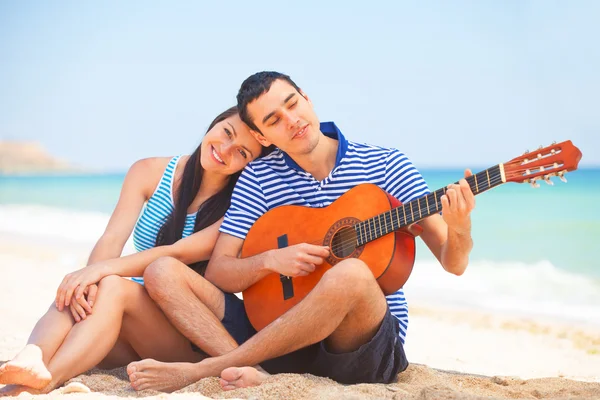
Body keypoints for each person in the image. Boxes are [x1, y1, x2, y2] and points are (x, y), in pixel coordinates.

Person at [122, 71, 476, 392]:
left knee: (351, 271)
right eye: (273, 120)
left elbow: (453, 262)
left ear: (306, 98)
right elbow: (220, 271)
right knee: (162, 270)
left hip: (358, 346)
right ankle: (257, 371)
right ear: (261, 135)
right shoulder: (258, 178)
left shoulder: (386, 164)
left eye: (292, 104)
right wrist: (269, 261)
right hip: (278, 339)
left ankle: (210, 369)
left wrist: (460, 229)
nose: (292, 121)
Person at [0, 107, 267, 396]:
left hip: (185, 333)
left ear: (247, 165)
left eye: (242, 153)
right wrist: (88, 281)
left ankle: (43, 383)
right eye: (227, 133)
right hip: (133, 322)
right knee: (81, 287)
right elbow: (111, 238)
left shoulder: (238, 206)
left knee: (111, 284)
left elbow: (177, 253)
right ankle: (32, 355)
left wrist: (100, 271)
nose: (225, 150)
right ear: (216, 123)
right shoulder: (149, 171)